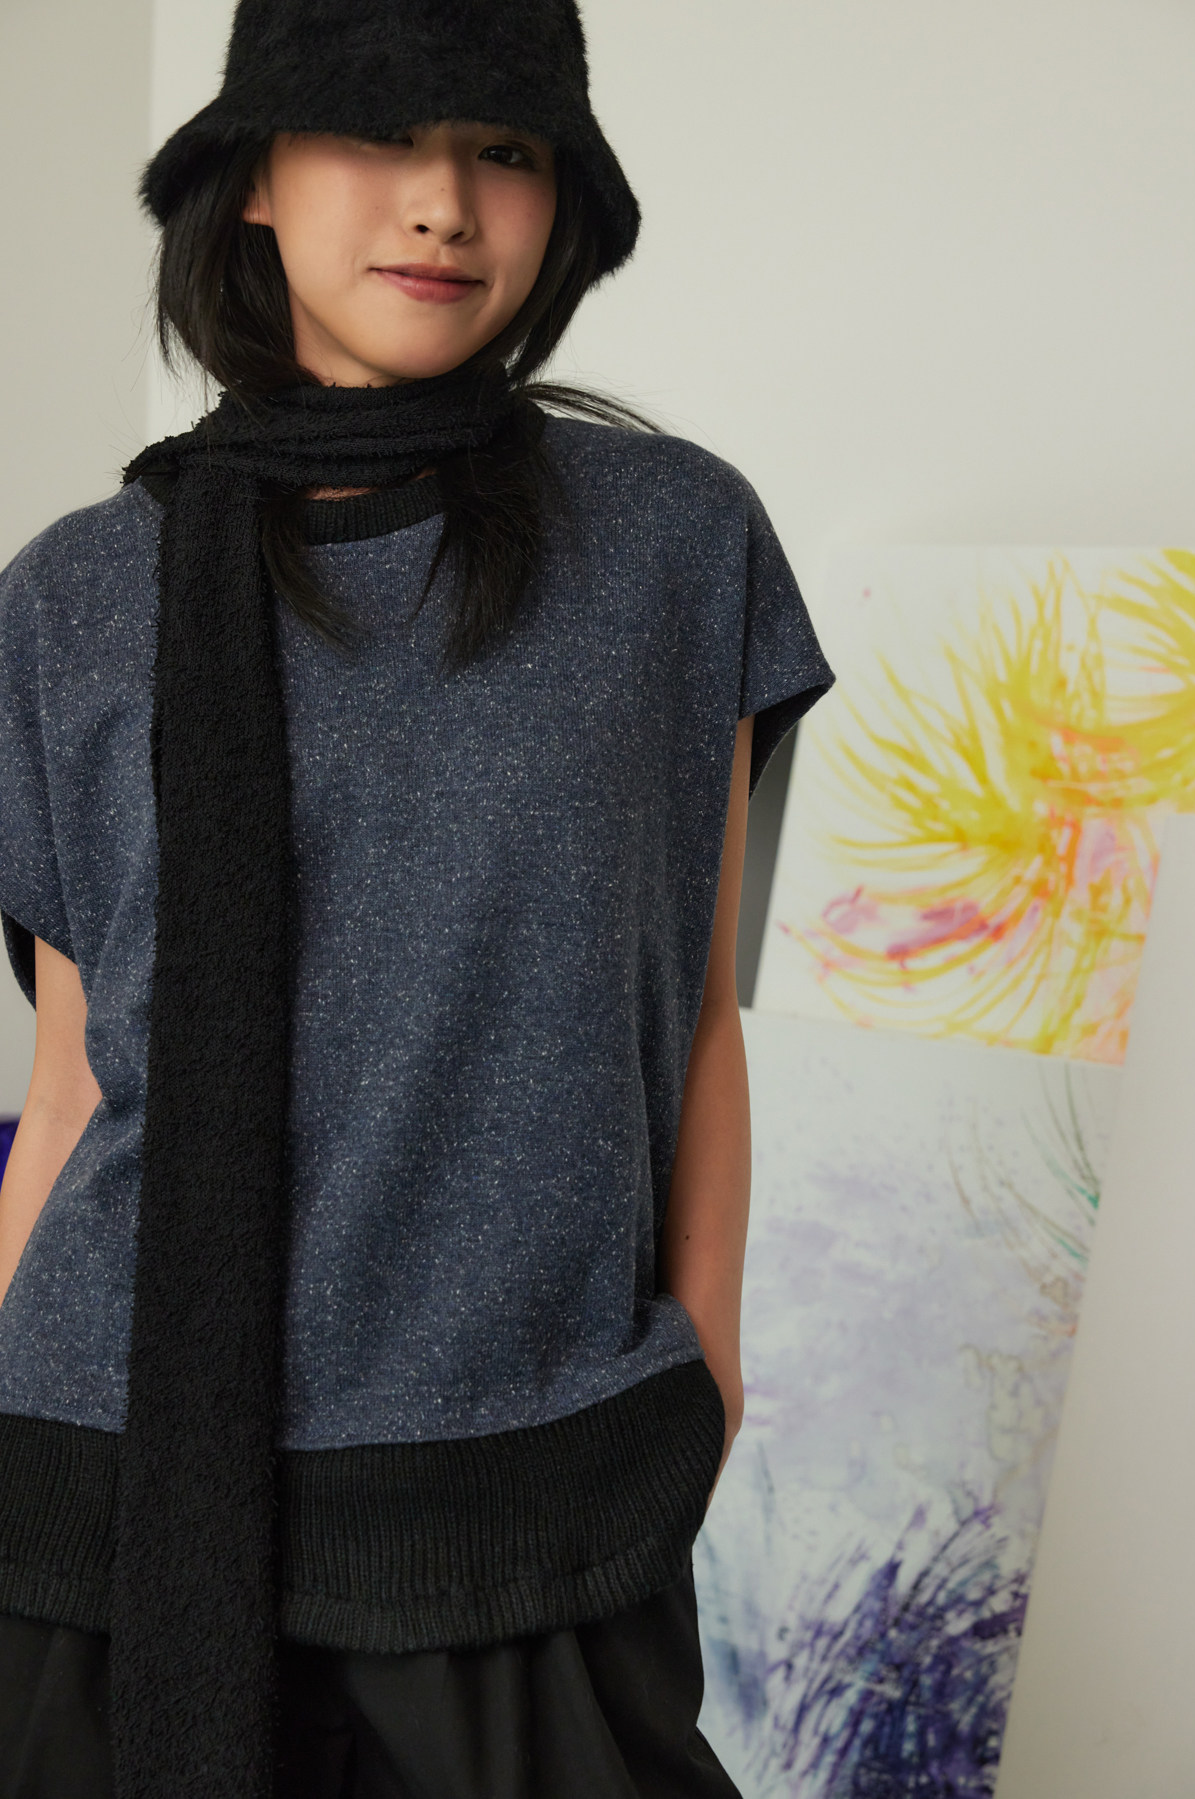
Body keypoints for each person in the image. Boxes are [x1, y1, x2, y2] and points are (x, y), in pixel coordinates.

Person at [0, 0, 835, 1793]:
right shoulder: (74, 596)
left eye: (504, 151)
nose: (445, 202)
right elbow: (67, 1091)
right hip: (105, 1495)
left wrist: (706, 1366)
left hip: (525, 1487)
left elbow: (694, 1012)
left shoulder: (676, 544)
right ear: (250, 180)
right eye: (379, 134)